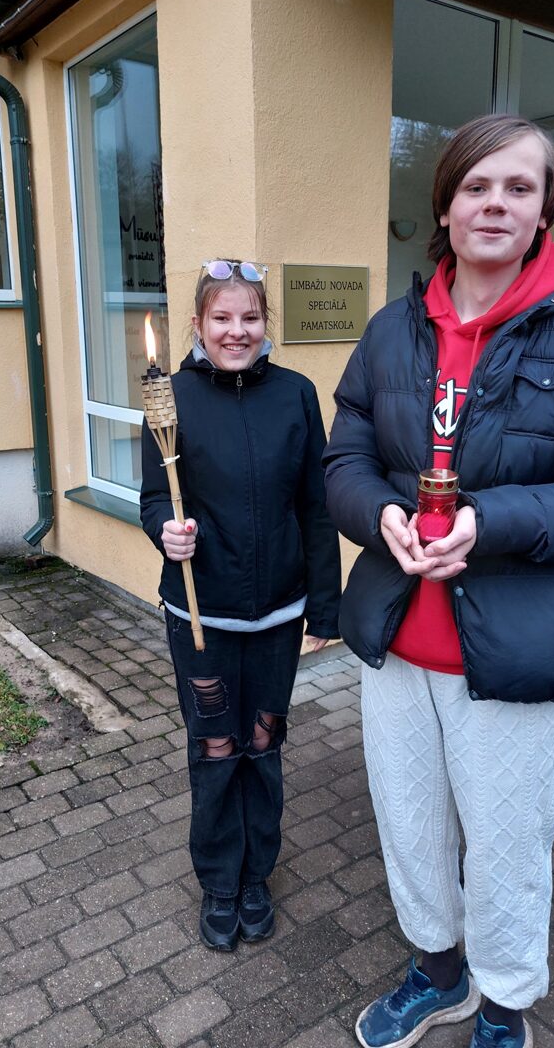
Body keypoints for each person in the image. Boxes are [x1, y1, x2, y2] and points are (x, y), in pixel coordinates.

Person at [323, 115, 554, 1048]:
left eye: (519, 187)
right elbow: (344, 458)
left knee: (508, 843)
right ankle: (438, 972)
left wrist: (487, 522)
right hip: (398, 640)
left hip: (513, 648)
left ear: (546, 208)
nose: (495, 204)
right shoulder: (391, 331)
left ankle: (504, 1006)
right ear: (446, 205)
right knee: (411, 825)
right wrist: (378, 517)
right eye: (476, 186)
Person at [140, 258, 341, 952]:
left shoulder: (296, 394)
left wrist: (326, 606)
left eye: (249, 317)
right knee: (216, 746)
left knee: (262, 743)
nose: (237, 331)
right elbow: (155, 496)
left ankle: (258, 875)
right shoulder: (169, 398)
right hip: (202, 614)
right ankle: (221, 882)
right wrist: (164, 530)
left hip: (279, 615)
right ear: (198, 324)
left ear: (265, 323)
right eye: (221, 317)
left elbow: (316, 505)